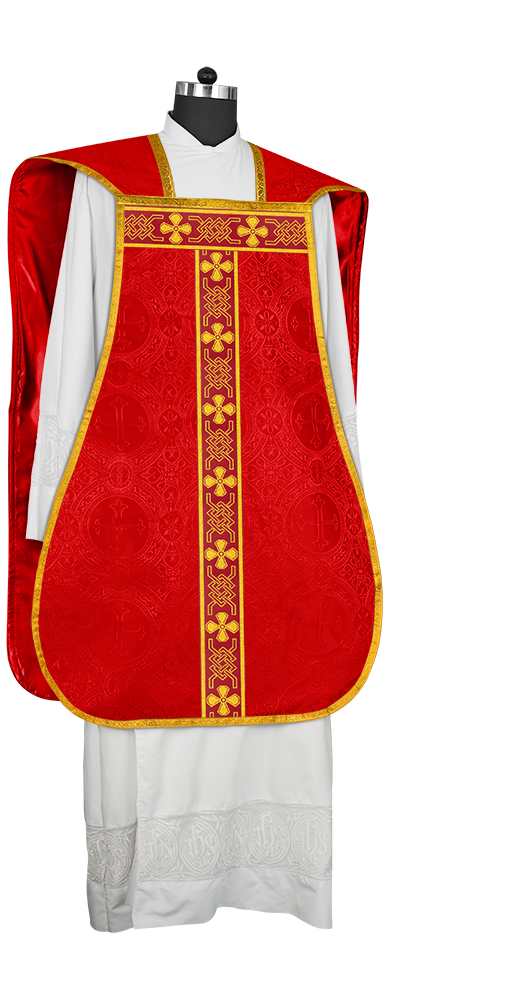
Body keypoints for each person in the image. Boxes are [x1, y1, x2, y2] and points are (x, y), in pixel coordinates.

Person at [25, 104, 367, 933]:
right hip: (136, 517)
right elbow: (73, 347)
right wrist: (53, 511)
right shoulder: (113, 187)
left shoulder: (302, 200)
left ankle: (276, 898)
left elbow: (328, 371)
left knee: (284, 699)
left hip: (278, 522)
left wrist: (346, 508)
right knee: (138, 687)